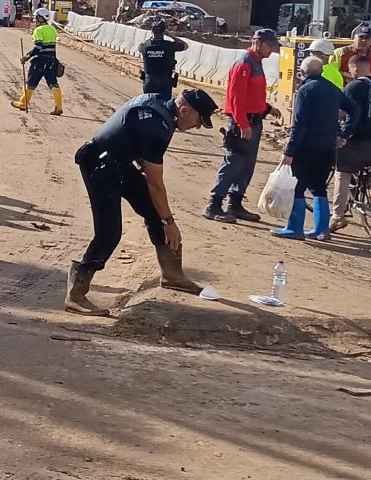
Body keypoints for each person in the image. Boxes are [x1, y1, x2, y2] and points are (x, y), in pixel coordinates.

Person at [66, 88, 218, 314]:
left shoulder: (157, 103)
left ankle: (172, 274)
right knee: (109, 233)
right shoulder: (158, 128)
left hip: (118, 163)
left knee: (154, 211)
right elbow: (155, 184)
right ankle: (76, 294)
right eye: (198, 120)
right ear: (184, 110)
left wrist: (163, 216)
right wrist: (170, 222)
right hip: (99, 166)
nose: (197, 127)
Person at [273, 53, 350, 242]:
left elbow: (299, 124)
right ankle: (321, 229)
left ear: (302, 72)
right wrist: (343, 133)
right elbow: (354, 109)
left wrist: (289, 152)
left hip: (306, 147)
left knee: (298, 188)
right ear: (322, 71)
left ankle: (294, 228)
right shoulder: (333, 89)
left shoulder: (305, 91)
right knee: (319, 188)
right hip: (327, 148)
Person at [205, 28, 279, 223]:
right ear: (259, 43)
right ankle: (214, 204)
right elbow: (236, 98)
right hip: (242, 123)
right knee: (232, 164)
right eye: (269, 45)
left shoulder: (257, 63)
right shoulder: (244, 63)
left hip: (254, 121)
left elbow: (253, 94)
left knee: (247, 165)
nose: (271, 50)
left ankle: (235, 203)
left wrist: (268, 108)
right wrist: (242, 124)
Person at [334, 53, 371, 225]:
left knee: (341, 173)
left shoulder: (353, 87)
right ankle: (365, 189)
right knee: (363, 167)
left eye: (350, 69)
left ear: (355, 68)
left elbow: (345, 113)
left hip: (357, 141)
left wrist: (341, 131)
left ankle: (337, 216)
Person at [11, 9, 63, 116]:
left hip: (39, 62)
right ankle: (59, 106)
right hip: (52, 60)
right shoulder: (52, 29)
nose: (35, 20)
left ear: (40, 18)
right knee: (53, 83)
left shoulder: (38, 30)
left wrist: (27, 57)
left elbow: (38, 47)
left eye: (36, 17)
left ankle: (22, 103)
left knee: (30, 83)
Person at [324, 24, 371, 89]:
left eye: (367, 38)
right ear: (354, 39)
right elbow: (331, 74)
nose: (364, 40)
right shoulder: (340, 53)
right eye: (361, 37)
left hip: (367, 95)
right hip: (344, 94)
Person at [138, 17, 184, 98]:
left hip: (149, 82)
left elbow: (140, 46)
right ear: (163, 31)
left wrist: (151, 37)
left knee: (149, 103)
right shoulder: (169, 45)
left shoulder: (145, 46)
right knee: (164, 105)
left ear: (152, 31)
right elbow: (185, 46)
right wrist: (170, 35)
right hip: (165, 82)